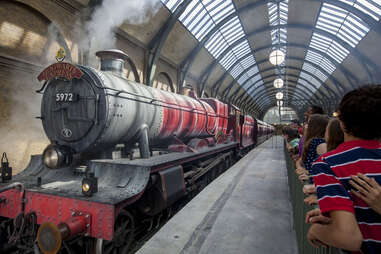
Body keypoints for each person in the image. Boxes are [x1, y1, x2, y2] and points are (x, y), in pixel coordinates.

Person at [307, 85, 381, 253]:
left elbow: (348, 237)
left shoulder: (328, 164)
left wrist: (316, 230)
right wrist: (332, 215)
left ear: (341, 122)